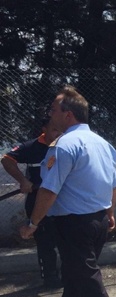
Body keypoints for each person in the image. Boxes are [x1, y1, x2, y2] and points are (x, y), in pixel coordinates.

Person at [19, 85, 116, 297]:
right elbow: (113, 185)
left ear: (68, 115)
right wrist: (109, 214)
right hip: (98, 223)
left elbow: (49, 190)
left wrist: (32, 224)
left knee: (89, 283)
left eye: (53, 109)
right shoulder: (103, 144)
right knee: (76, 281)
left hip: (74, 227)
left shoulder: (63, 146)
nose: (49, 114)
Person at [2, 115, 63, 288]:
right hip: (38, 200)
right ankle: (50, 278)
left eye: (61, 129)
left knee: (66, 239)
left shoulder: (66, 146)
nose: (58, 133)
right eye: (54, 129)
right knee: (45, 241)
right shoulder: (32, 147)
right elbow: (7, 159)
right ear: (44, 129)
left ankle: (70, 276)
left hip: (62, 201)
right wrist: (23, 180)